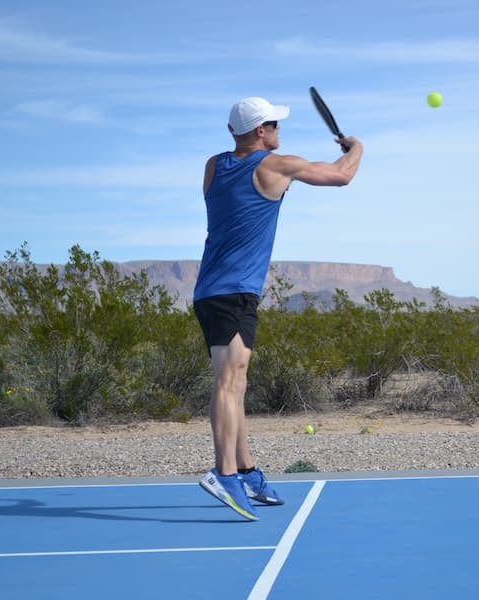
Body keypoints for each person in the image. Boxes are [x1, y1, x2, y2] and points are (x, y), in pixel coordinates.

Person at [193, 96, 363, 521]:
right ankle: (224, 473)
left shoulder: (213, 166)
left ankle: (246, 470)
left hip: (217, 291)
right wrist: (357, 148)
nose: (279, 131)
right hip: (232, 291)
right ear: (259, 131)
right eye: (274, 124)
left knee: (237, 384)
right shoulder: (275, 166)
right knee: (229, 384)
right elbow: (341, 177)